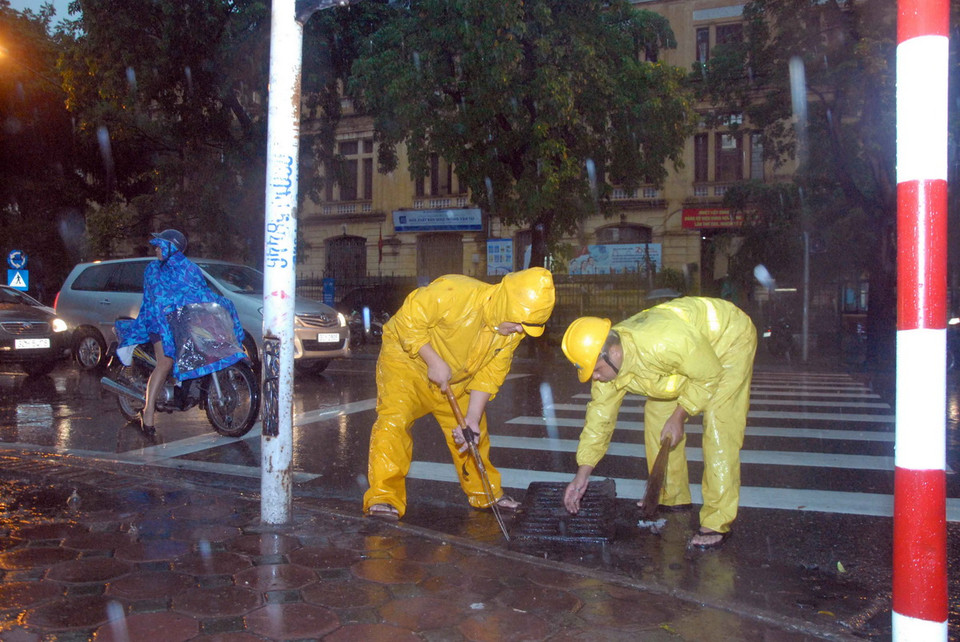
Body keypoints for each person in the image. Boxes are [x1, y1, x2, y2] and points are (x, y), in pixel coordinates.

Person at [559, 297, 756, 549]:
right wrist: (582, 474)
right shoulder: (610, 365)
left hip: (727, 340)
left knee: (720, 426)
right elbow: (599, 420)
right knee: (657, 416)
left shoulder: (662, 342)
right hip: (685, 357)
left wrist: (680, 415)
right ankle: (671, 495)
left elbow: (708, 375)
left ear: (613, 352)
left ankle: (717, 521)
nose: (595, 377)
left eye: (596, 370)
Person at [363, 267, 556, 520]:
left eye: (526, 327)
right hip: (405, 364)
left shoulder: (510, 331)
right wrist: (432, 359)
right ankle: (384, 496)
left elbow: (490, 374)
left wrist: (472, 417)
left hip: (455, 376)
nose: (520, 331)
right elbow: (407, 320)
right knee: (394, 421)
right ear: (505, 304)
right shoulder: (455, 292)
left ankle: (485, 493)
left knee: (471, 433)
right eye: (519, 324)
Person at [114, 229, 245, 435]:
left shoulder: (190, 269)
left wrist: (219, 304)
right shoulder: (152, 269)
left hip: (183, 320)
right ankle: (148, 412)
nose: (156, 249)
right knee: (165, 362)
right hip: (157, 320)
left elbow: (200, 292)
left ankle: (181, 387)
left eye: (160, 246)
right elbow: (155, 298)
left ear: (172, 247)